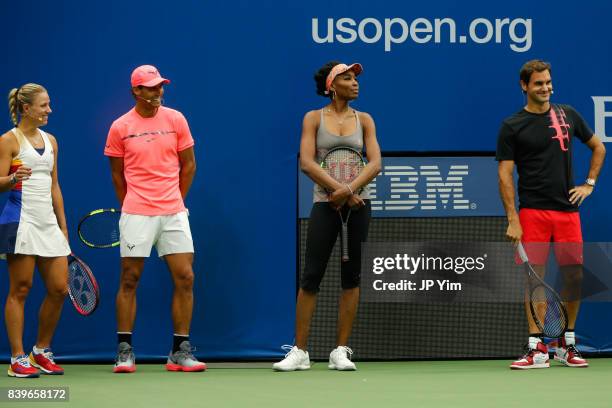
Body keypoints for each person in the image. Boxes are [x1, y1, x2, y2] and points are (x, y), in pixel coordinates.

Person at [496, 60, 606, 369]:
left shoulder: (567, 115)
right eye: (538, 83)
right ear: (524, 86)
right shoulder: (512, 126)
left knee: (575, 276)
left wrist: (589, 183)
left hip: (568, 212)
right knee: (535, 281)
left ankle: (567, 344)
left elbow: (598, 148)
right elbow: (505, 176)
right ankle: (538, 347)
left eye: (548, 82)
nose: (545, 88)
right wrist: (513, 218)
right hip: (533, 212)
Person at [273, 61, 381, 372]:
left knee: (352, 278)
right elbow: (307, 162)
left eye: (355, 78)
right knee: (311, 278)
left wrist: (348, 190)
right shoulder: (313, 118)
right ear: (332, 86)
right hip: (324, 206)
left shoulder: (366, 120)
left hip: (358, 207)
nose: (355, 83)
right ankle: (301, 351)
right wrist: (337, 190)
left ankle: (340, 351)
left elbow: (374, 163)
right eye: (347, 78)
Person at [104, 65, 204, 373]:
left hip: (173, 211)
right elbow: (117, 175)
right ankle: (124, 350)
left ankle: (179, 351)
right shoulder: (120, 126)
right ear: (136, 91)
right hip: (136, 211)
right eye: (150, 87)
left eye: (160, 86)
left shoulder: (176, 119)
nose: (158, 91)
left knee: (185, 277)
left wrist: (175, 200)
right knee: (130, 279)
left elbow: (189, 166)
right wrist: (132, 206)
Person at [0, 84, 71, 378]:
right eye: (44, 105)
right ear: (26, 108)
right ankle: (17, 358)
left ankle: (40, 351)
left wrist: (63, 226)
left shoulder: (51, 141)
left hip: (48, 223)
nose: (49, 110)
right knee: (21, 289)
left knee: (58, 288)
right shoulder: (8, 140)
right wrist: (13, 177)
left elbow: (55, 186)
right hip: (20, 221)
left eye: (49, 104)